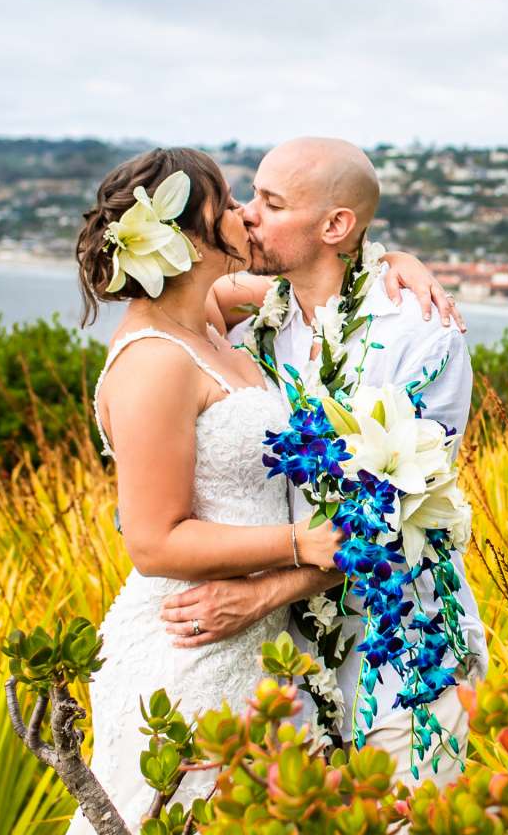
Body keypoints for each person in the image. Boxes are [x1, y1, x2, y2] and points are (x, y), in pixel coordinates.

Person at [32, 146, 452, 835]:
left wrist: (388, 257)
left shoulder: (211, 316)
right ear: (186, 236)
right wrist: (301, 547)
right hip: (194, 642)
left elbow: (325, 283)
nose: (246, 218)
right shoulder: (156, 359)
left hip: (270, 641)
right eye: (230, 203)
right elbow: (153, 540)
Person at [190, 135, 484, 785]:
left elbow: (394, 515)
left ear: (336, 225)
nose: (246, 217)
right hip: (286, 665)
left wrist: (262, 592)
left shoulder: (421, 338)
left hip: (409, 651)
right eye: (250, 198)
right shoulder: (249, 336)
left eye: (270, 202)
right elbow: (168, 309)